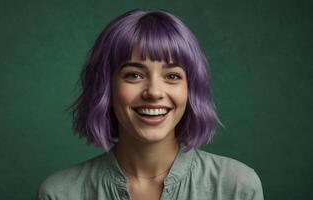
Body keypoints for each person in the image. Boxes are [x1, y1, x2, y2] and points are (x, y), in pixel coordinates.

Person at [37, 9, 264, 200]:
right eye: (134, 75)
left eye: (172, 76)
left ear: (190, 89)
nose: (154, 92)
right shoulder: (60, 193)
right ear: (106, 87)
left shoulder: (236, 187)